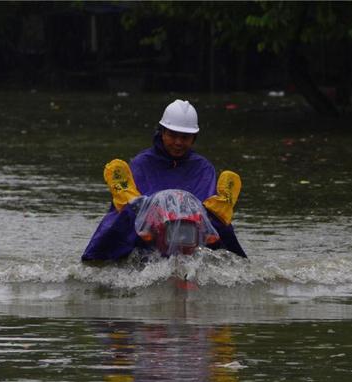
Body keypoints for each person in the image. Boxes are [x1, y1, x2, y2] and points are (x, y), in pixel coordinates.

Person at [81, 99, 246, 261]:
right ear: (162, 132)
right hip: (149, 232)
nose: (178, 142)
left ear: (194, 138)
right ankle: (98, 260)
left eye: (185, 137)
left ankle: (238, 266)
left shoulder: (203, 168)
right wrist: (139, 206)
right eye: (172, 135)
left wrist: (218, 208)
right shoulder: (142, 163)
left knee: (220, 220)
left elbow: (205, 208)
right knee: (127, 211)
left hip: (191, 232)